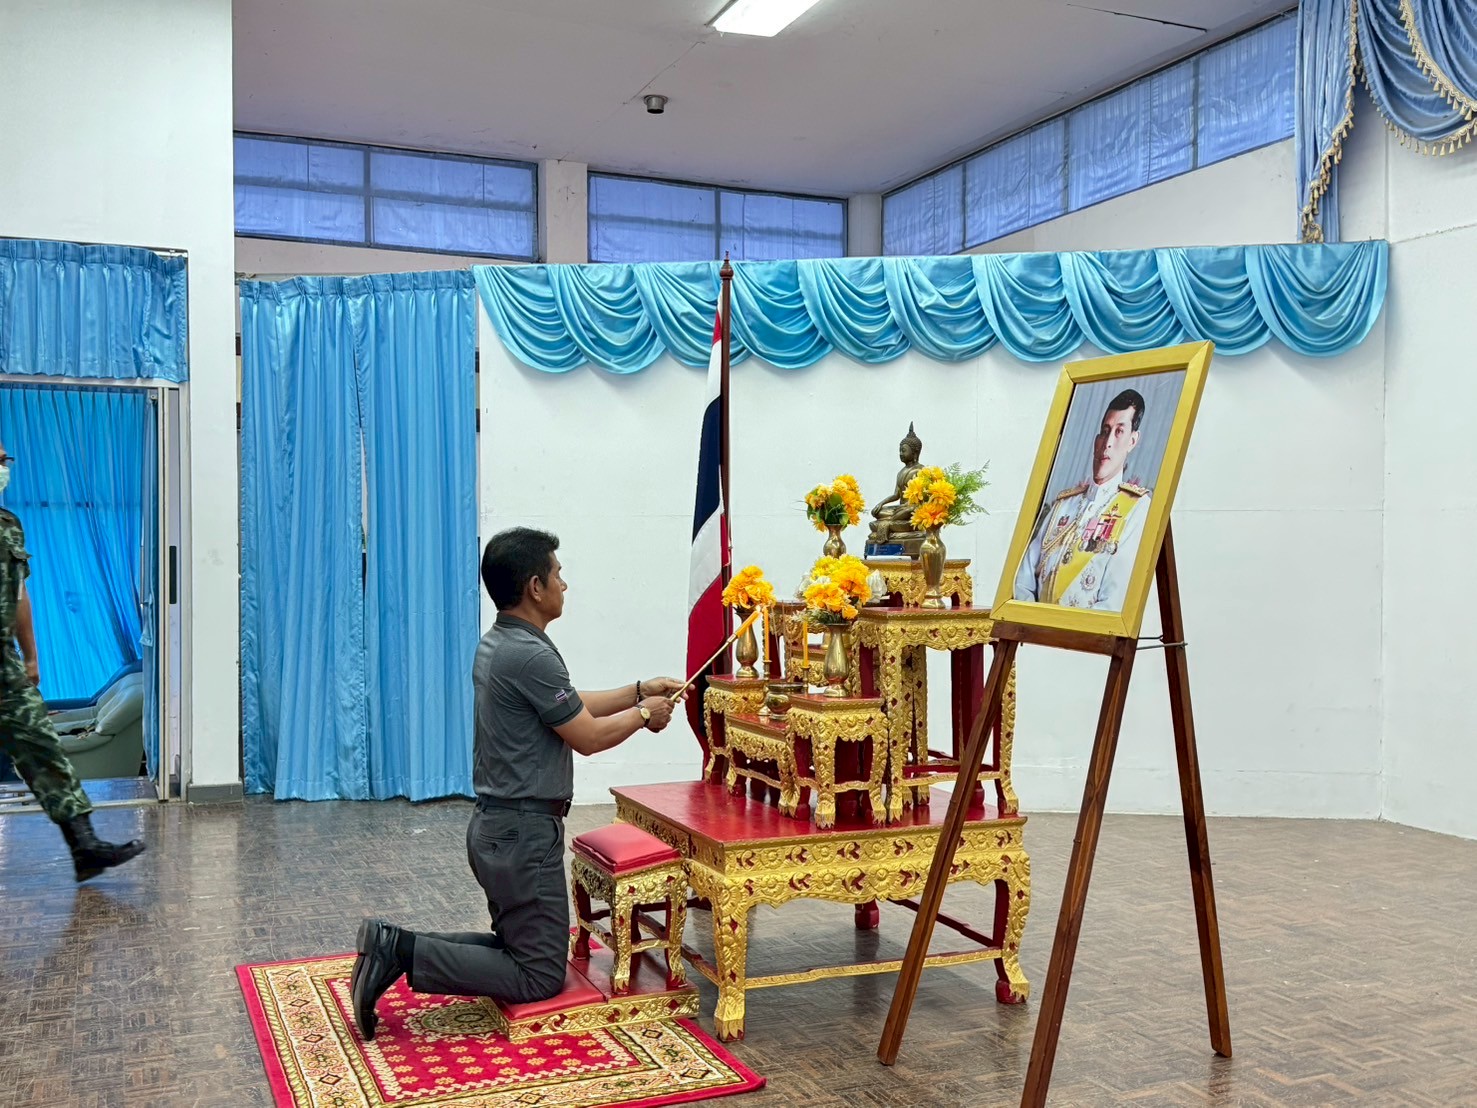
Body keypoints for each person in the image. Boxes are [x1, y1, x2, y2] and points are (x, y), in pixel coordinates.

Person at [351, 527, 685, 1040]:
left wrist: (638, 691)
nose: (564, 585)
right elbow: (588, 737)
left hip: (501, 829)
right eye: (558, 575)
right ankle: (398, 949)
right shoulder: (531, 655)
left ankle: (392, 944)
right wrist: (645, 715)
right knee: (538, 975)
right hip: (522, 836)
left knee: (520, 952)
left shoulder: (501, 643)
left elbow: (568, 705)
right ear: (535, 586)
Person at [0, 440, 146, 880]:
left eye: (6, 459)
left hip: (5, 662)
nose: (4, 467)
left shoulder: (9, 525)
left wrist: (31, 656)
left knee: (40, 743)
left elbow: (19, 595)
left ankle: (84, 847)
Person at [1013, 388, 1153, 612]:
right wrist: (1034, 625)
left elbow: (1114, 601)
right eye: (1105, 431)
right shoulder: (1063, 505)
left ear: (1132, 441)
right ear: (1096, 440)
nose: (1108, 442)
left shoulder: (1136, 508)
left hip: (1089, 634)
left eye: (1119, 432)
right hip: (1035, 630)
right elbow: (1023, 580)